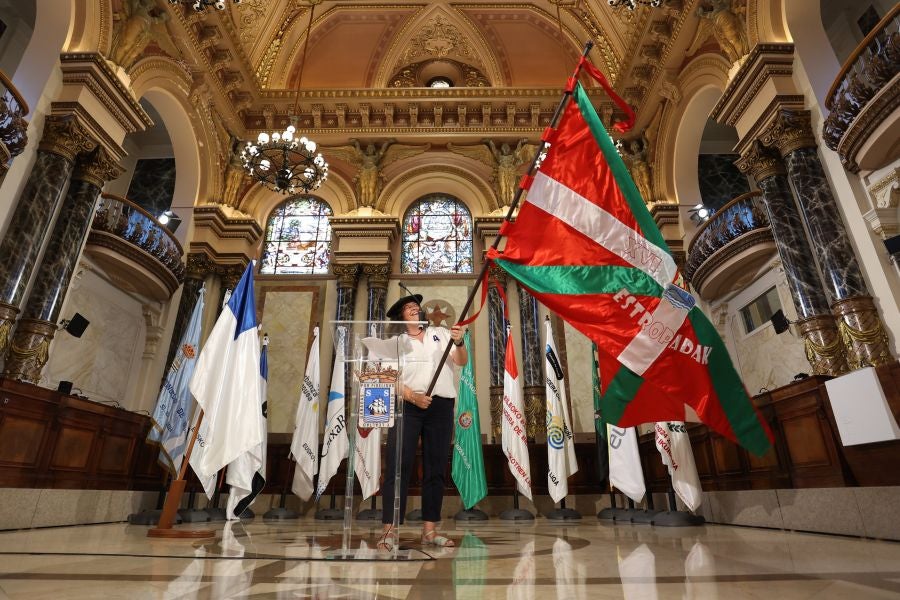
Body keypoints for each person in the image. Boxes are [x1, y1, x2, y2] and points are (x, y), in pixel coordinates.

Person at [378, 292, 468, 550]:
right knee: (398, 466)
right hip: (408, 405)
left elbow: (461, 361)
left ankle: (430, 530)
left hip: (440, 406)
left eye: (415, 306)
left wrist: (460, 343)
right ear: (400, 317)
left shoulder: (439, 333)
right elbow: (388, 377)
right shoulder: (395, 342)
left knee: (435, 468)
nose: (414, 309)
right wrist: (411, 396)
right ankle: (390, 531)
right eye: (408, 307)